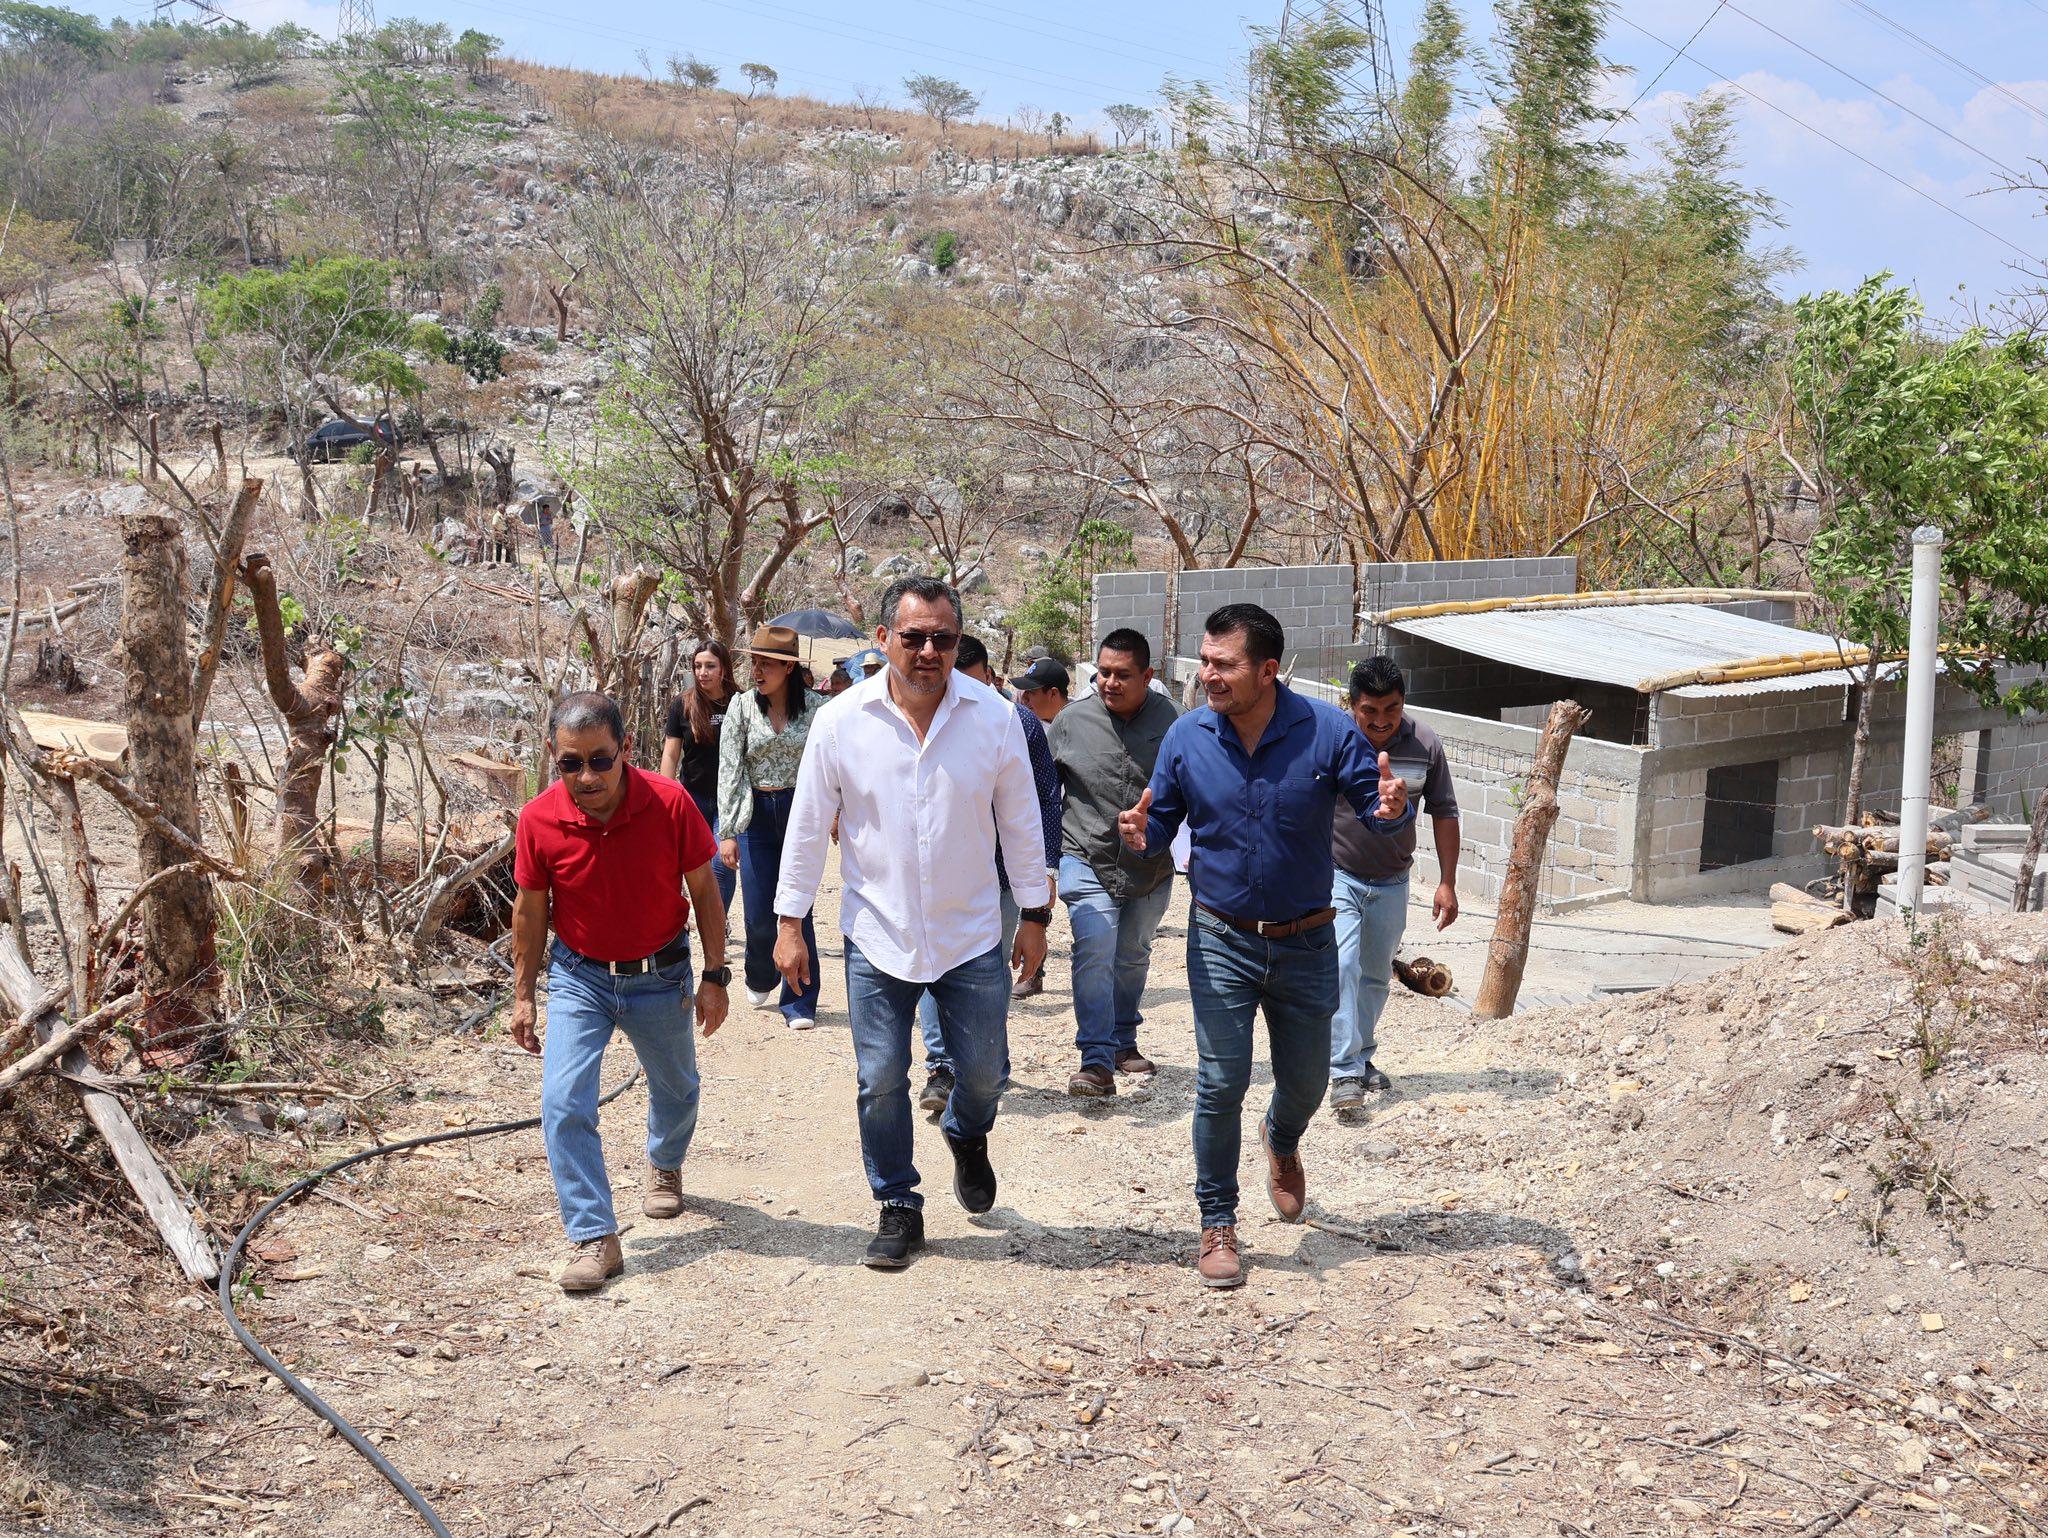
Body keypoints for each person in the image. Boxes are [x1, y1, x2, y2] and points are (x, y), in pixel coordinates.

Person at [1117, 603, 1412, 1290]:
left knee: (1307, 1083)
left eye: (1224, 664)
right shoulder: (1187, 736)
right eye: (1205, 661)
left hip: (1308, 941)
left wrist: (1389, 809)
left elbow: (1374, 803)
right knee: (1221, 1082)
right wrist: (1140, 833)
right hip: (1221, 937)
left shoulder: (1328, 731)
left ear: (1268, 669)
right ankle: (1217, 1221)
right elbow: (1161, 824)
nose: (1208, 675)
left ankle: (1281, 1139)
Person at [774, 576, 1051, 1270]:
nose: (929, 651)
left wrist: (1035, 915)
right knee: (879, 1079)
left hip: (971, 934)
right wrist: (789, 923)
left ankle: (967, 1131)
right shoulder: (840, 722)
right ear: (882, 639)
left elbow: (1021, 823)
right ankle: (898, 1203)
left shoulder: (995, 720)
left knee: (983, 1076)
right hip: (877, 933)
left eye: (943, 639)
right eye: (914, 637)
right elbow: (807, 827)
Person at [508, 691, 731, 1293]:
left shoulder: (669, 802)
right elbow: (530, 910)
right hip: (579, 977)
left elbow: (705, 891)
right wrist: (523, 994)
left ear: (626, 749)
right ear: (552, 756)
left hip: (660, 974)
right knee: (563, 1104)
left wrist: (715, 975)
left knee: (678, 1089)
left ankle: (665, 1162)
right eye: (570, 763)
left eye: (600, 760)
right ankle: (594, 1235)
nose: (586, 777)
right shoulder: (538, 819)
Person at [916, 635, 1060, 1113]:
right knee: (934, 965)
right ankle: (941, 1067)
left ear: (989, 677)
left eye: (968, 681)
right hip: (940, 872)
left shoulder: (1017, 722)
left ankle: (986, 1056)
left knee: (989, 970)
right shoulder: (922, 719)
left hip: (1001, 874)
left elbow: (1044, 800)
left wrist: (1045, 869)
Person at [1329, 656, 1461, 1111]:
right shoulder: (1332, 739)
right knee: (1342, 967)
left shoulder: (1424, 743)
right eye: (1370, 711)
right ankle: (1343, 1072)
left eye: (1392, 709)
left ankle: (1361, 1056)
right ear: (1352, 705)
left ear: (1404, 703)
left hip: (1392, 879)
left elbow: (1444, 811)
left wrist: (1447, 882)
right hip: (1337, 874)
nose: (1381, 721)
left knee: (1374, 974)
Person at [1049, 629, 1178, 1097]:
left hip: (1151, 865)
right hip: (1085, 855)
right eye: (1103, 672)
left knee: (1131, 956)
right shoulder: (1070, 722)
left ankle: (1123, 1041)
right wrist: (1043, 864)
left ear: (1147, 675)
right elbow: (1042, 793)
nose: (1110, 682)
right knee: (1095, 949)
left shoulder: (1175, 723)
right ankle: (1096, 1060)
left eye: (1122, 674)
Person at [718, 625, 824, 1030]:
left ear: (788, 667)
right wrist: (728, 830)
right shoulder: (742, 707)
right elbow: (730, 769)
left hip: (801, 812)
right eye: (755, 662)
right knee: (760, 911)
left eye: (767, 663)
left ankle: (800, 1000)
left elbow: (830, 765)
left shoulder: (817, 709)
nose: (757, 671)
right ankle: (760, 972)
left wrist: (836, 812)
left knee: (799, 907)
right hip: (757, 814)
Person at [1003, 655, 1068, 998]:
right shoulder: (1028, 726)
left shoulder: (1073, 726)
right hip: (1040, 829)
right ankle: (1033, 973)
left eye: (1032, 693)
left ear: (1053, 694)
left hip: (1070, 832)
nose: (1024, 699)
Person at [660, 640, 739, 913]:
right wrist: (666, 796)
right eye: (697, 666)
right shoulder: (682, 705)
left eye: (710, 666)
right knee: (689, 862)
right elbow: (671, 754)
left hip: (729, 799)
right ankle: (687, 918)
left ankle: (718, 921)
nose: (702, 672)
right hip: (693, 797)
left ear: (724, 668)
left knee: (722, 862)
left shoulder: (740, 701)